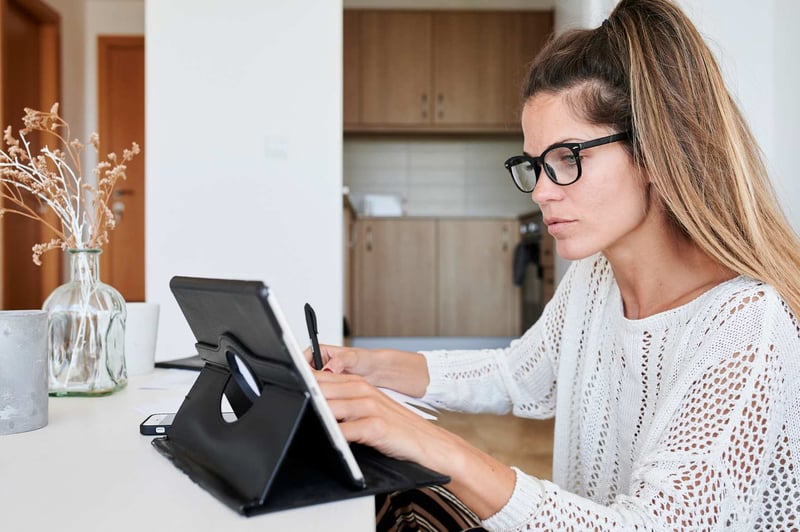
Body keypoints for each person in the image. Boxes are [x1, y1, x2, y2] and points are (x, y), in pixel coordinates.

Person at [311, 0, 800, 529]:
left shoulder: (748, 324)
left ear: (656, 153)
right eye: (534, 164)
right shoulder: (596, 279)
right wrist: (366, 367)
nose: (542, 191)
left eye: (568, 159)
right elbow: (520, 376)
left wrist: (436, 447)